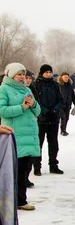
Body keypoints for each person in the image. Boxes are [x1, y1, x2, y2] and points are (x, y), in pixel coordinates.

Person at [0, 63, 41, 210]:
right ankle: (14, 201)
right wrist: (22, 107)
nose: (22, 77)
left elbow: (37, 112)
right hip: (14, 135)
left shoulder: (27, 89)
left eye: (23, 74)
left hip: (28, 136)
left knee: (24, 170)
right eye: (19, 74)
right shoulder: (4, 89)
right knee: (15, 171)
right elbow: (2, 111)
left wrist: (33, 104)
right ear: (11, 75)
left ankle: (20, 200)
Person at [33, 64, 64, 175]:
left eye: (50, 72)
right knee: (38, 144)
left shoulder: (55, 85)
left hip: (54, 118)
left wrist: (56, 109)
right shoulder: (36, 84)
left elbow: (60, 99)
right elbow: (35, 101)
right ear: (42, 73)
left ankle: (53, 165)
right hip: (41, 119)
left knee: (53, 144)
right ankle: (37, 166)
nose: (48, 74)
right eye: (46, 72)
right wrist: (44, 110)